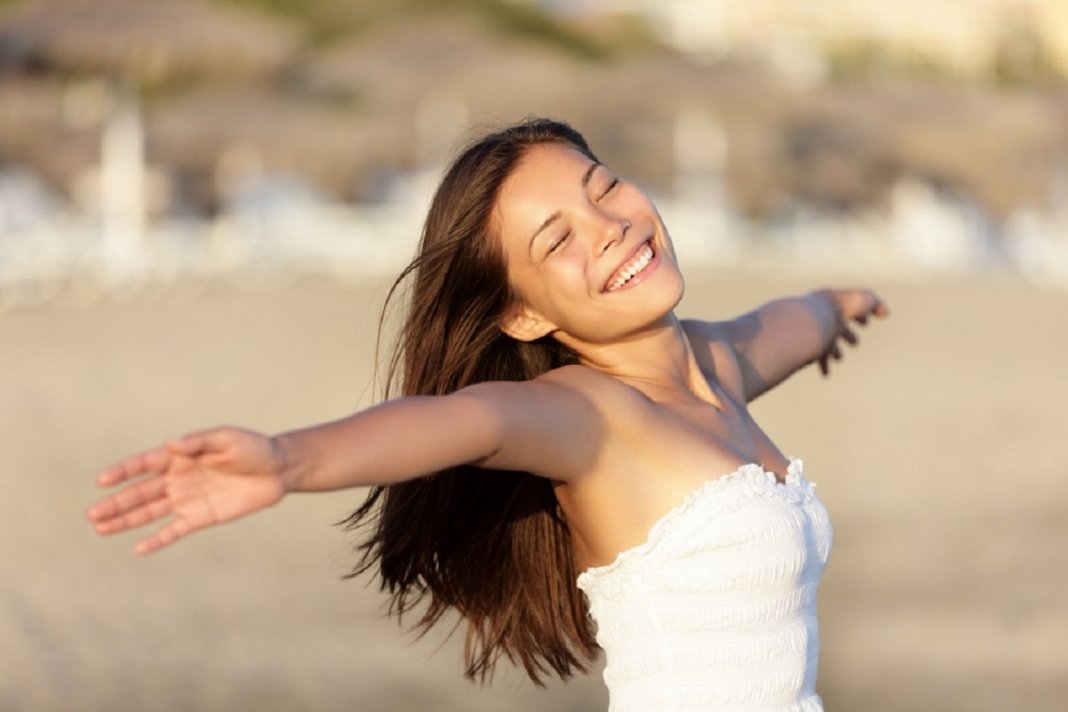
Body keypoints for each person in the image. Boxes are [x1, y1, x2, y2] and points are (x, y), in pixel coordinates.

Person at [87, 118, 887, 711]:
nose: (609, 229)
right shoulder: (590, 417)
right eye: (557, 240)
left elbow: (785, 326)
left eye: (602, 186)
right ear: (526, 316)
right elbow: (468, 421)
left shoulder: (717, 367)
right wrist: (289, 459)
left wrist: (837, 304)